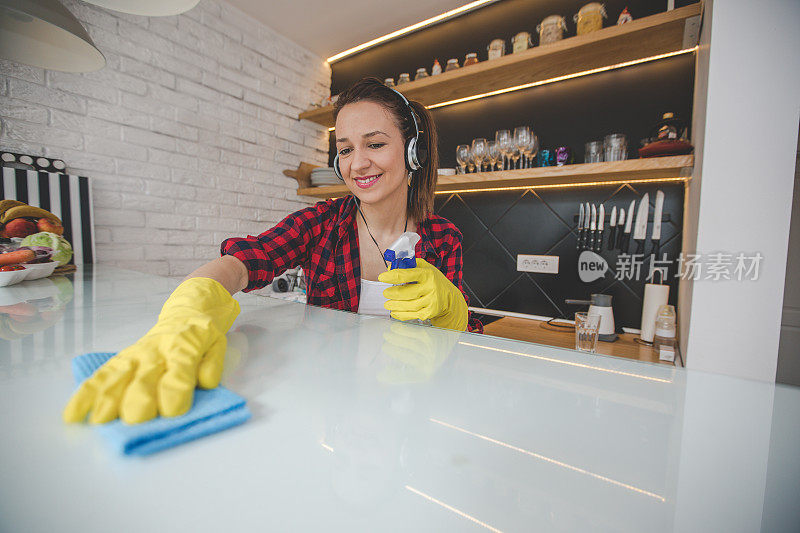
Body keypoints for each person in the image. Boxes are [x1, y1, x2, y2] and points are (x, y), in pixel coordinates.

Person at [63, 77, 482, 426]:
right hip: (331, 393)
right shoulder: (322, 224)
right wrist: (186, 311)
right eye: (346, 149)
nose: (357, 164)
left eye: (374, 144)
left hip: (410, 400)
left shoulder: (444, 238)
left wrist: (451, 309)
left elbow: (461, 345)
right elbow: (246, 261)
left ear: (414, 152)